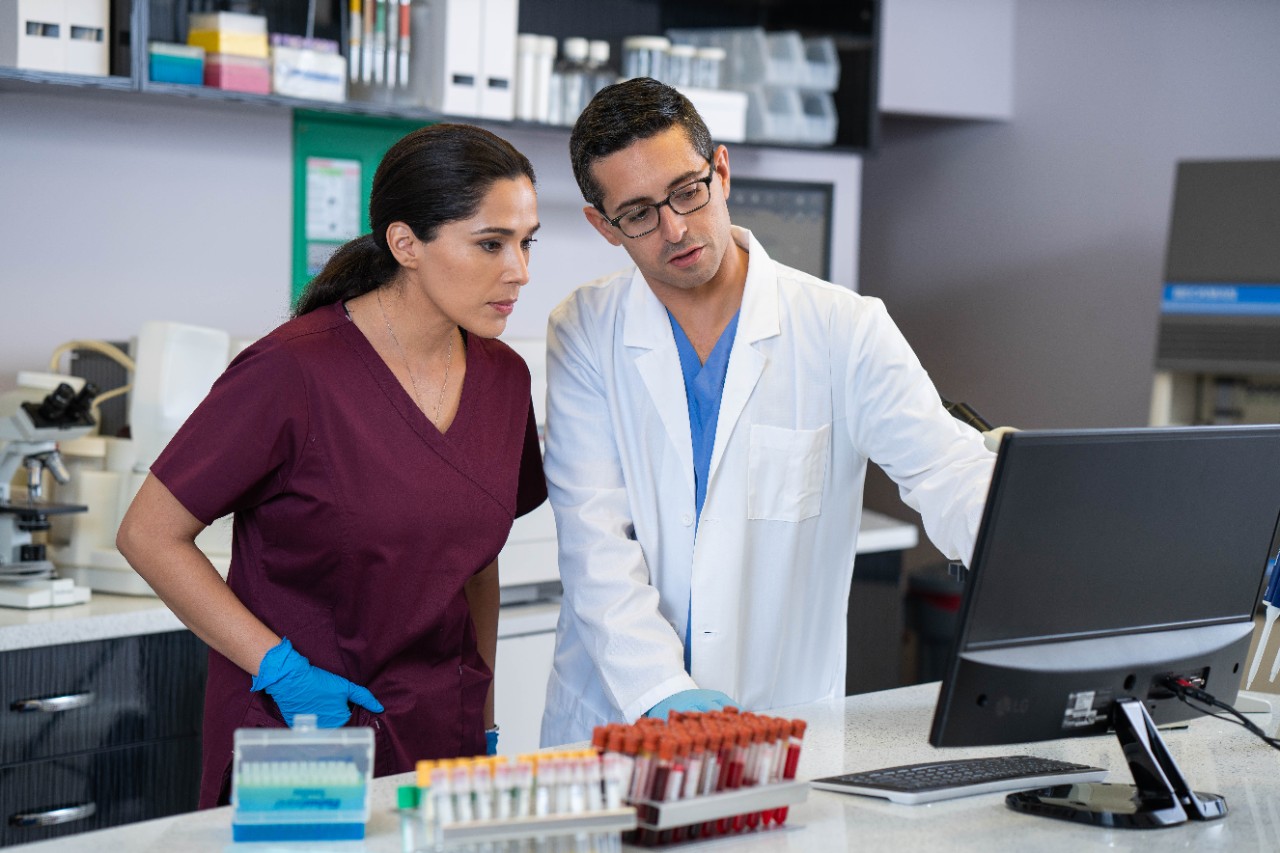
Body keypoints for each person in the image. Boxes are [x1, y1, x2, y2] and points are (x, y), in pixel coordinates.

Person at [539, 78, 997, 746]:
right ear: (602, 225)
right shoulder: (584, 329)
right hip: (620, 716)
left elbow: (946, 469)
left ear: (720, 170)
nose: (674, 228)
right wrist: (665, 693)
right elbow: (596, 544)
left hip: (778, 718)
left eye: (687, 191)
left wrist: (1029, 552)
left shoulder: (845, 327)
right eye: (638, 213)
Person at [117, 123, 547, 807]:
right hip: (302, 729)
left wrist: (486, 714)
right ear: (406, 243)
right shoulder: (291, 370)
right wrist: (278, 668)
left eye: (527, 242)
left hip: (440, 729)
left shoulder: (505, 380)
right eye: (491, 244)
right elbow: (147, 532)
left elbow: (475, 564)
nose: (519, 270)